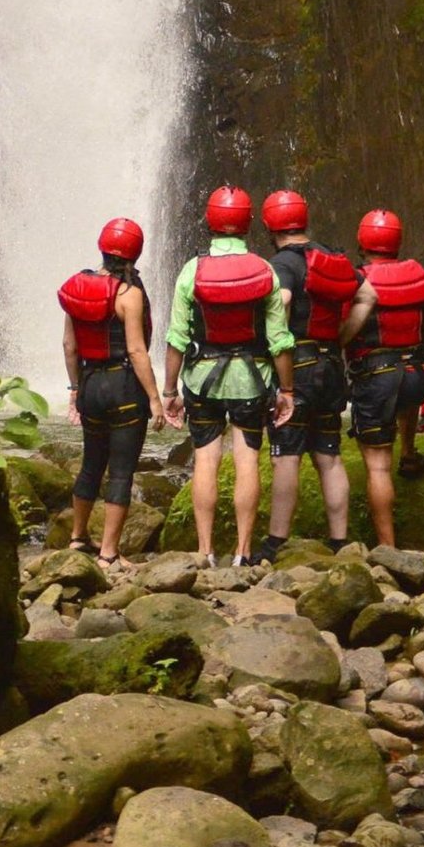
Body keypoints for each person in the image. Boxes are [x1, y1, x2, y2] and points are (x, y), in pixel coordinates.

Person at [162, 187, 296, 567]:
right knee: (247, 460)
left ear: (209, 222)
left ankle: (204, 552)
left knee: (205, 460)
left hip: (202, 379)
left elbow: (176, 339)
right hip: (252, 381)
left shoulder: (192, 270)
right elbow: (280, 341)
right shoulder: (263, 270)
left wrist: (170, 390)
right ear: (250, 223)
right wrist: (287, 390)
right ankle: (243, 551)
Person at [254, 189, 358, 562]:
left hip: (296, 364)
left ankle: (277, 541)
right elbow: (367, 294)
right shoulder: (331, 255)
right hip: (331, 363)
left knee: (287, 454)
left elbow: (280, 303)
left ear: (269, 224)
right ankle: (340, 542)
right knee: (328, 455)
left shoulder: (283, 263)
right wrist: (341, 337)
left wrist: (268, 344)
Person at [58, 217, 164, 570]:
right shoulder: (128, 294)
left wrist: (74, 389)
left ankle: (77, 537)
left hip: (90, 383)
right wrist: (153, 397)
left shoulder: (77, 288)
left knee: (91, 462)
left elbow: (69, 346)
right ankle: (109, 553)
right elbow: (137, 351)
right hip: (123, 387)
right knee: (120, 471)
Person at [340, 209, 424, 547]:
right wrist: (422, 346)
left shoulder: (357, 281)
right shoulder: (420, 276)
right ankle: (410, 453)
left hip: (376, 376)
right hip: (419, 373)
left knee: (377, 467)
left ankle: (387, 547)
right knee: (406, 389)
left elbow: (343, 328)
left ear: (362, 239)